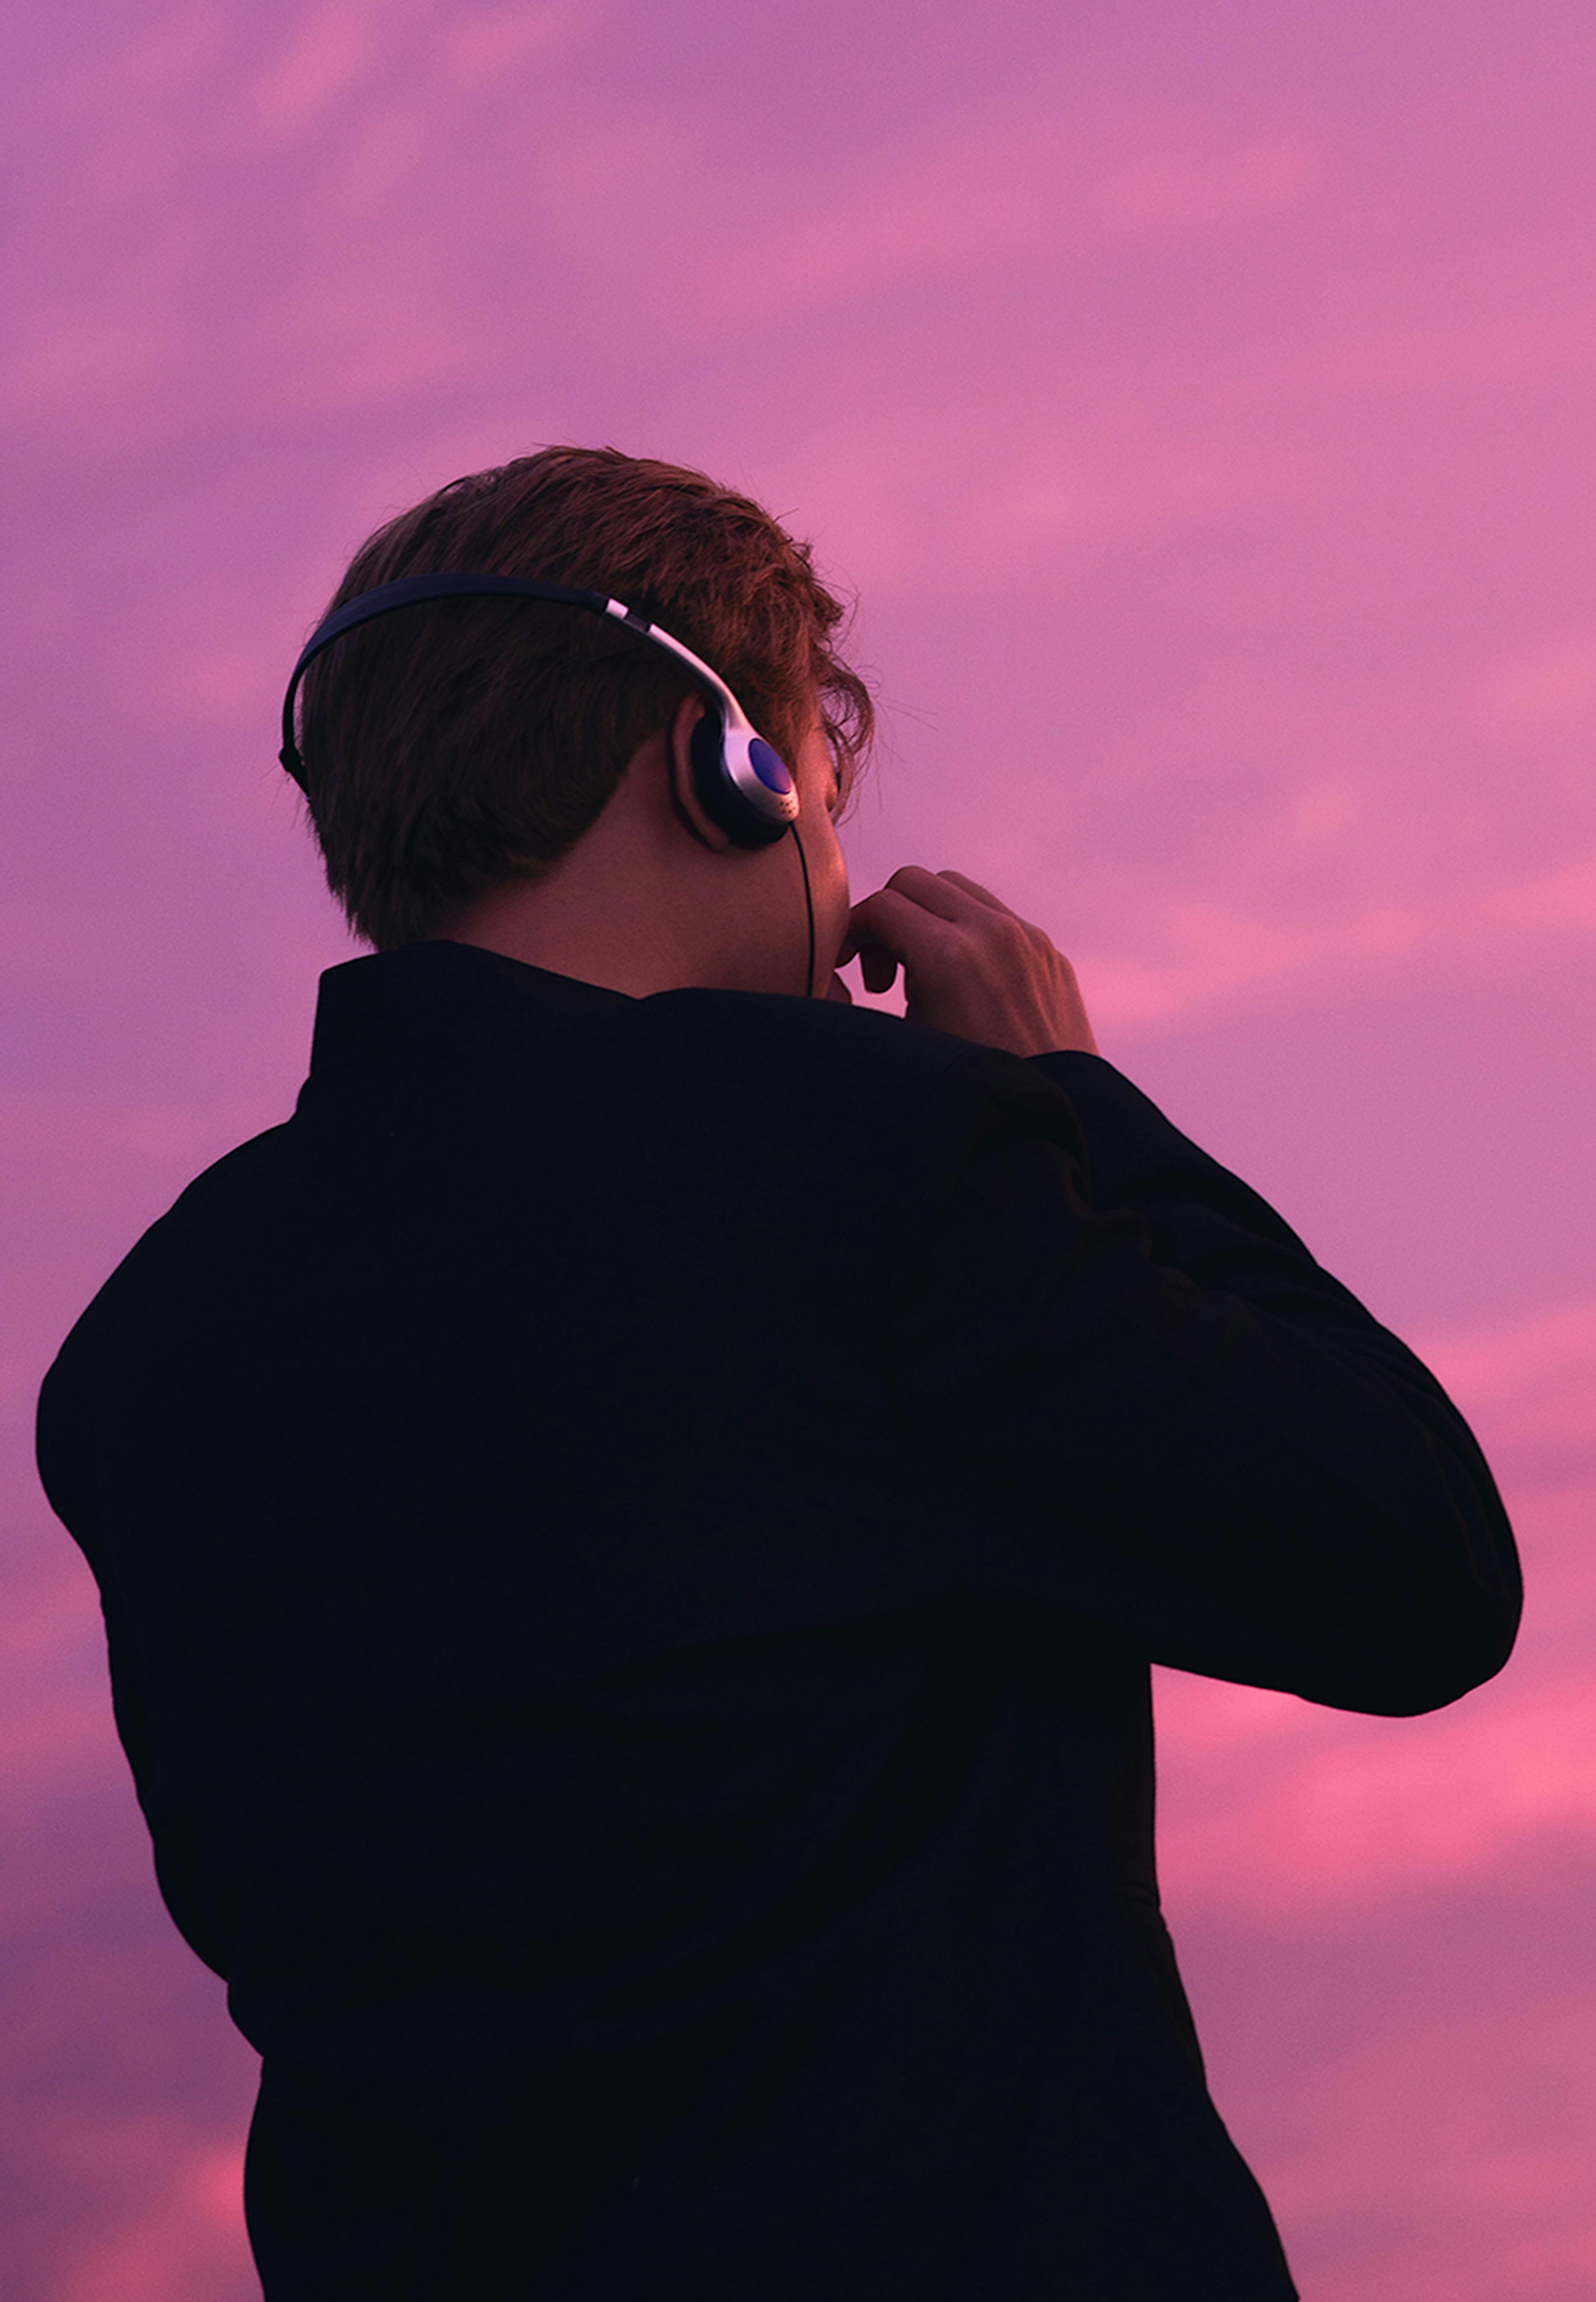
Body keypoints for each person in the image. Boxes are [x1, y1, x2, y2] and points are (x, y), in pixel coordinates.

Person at [38, 445, 1521, 2298]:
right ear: (716, 764)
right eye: (822, 783)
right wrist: (1069, 1104)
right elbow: (1412, 1562)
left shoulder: (153, 1342)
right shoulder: (868, 1162)